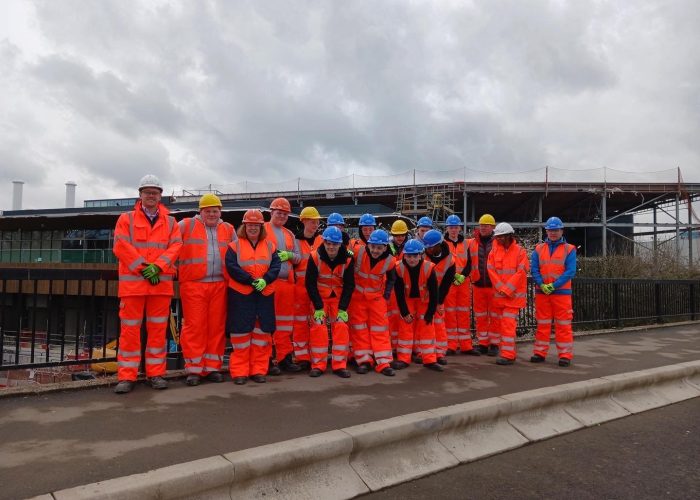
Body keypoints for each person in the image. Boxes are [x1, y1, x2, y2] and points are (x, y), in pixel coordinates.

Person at [112, 174, 182, 394]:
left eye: (155, 192)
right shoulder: (127, 219)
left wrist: (159, 267)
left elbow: (176, 246)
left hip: (159, 286)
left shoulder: (171, 221)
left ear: (160, 196)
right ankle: (126, 376)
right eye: (147, 192)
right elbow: (120, 246)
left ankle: (156, 374)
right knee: (129, 332)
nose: (151, 196)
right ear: (140, 195)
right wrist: (145, 268)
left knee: (158, 332)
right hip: (134, 286)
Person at [177, 194, 236, 385]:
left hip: (220, 284)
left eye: (215, 211)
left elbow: (238, 253)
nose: (212, 214)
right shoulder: (185, 226)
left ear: (220, 212)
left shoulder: (228, 228)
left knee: (216, 327)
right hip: (194, 284)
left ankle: (212, 367)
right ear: (200, 212)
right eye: (208, 211)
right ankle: (194, 369)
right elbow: (170, 247)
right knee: (195, 327)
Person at [225, 209, 281, 384]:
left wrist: (265, 280)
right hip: (241, 295)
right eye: (250, 225)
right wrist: (250, 281)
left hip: (263, 295)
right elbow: (231, 267)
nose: (253, 228)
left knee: (261, 335)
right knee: (241, 336)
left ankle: (258, 370)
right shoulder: (234, 246)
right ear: (244, 225)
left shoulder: (270, 245)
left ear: (261, 226)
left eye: (256, 225)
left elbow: (275, 266)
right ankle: (240, 372)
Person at [305, 226, 355, 378]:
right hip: (320, 298)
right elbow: (310, 283)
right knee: (318, 328)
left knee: (341, 327)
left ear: (340, 244)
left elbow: (349, 284)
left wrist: (343, 309)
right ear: (324, 242)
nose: (331, 247)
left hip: (339, 298)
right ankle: (318, 365)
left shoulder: (347, 259)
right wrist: (318, 306)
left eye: (334, 244)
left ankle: (339, 365)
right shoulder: (314, 257)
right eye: (328, 243)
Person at [349, 229, 396, 376]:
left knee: (380, 329)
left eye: (379, 247)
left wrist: (386, 294)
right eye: (373, 247)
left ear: (385, 247)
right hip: (357, 298)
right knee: (359, 330)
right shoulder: (358, 251)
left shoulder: (390, 260)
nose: (375, 250)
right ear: (368, 245)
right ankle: (364, 360)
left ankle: (383, 362)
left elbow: (392, 278)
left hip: (376, 299)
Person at [530, 217, 577, 367]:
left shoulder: (569, 249)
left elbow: (570, 271)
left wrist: (553, 285)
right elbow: (534, 269)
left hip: (561, 293)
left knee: (563, 325)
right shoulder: (538, 249)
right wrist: (542, 284)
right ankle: (539, 352)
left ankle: (565, 355)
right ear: (547, 231)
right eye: (550, 230)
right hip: (543, 292)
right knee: (542, 324)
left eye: (555, 230)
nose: (553, 233)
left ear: (561, 231)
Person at [392, 239, 443, 371]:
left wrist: (430, 313)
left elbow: (434, 293)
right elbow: (398, 293)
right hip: (408, 300)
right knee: (405, 328)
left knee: (427, 329)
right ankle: (404, 359)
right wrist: (404, 312)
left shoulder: (429, 268)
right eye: (409, 256)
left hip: (424, 301)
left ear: (421, 255)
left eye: (415, 256)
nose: (412, 259)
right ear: (404, 255)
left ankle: (430, 360)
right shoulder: (398, 268)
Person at [264, 198, 302, 373]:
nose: (281, 216)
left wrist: (288, 255)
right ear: (271, 213)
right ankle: (266, 360)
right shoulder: (262, 230)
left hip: (287, 285)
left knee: (286, 325)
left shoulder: (289, 234)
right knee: (266, 324)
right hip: (268, 283)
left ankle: (284, 358)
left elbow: (298, 257)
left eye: (285, 214)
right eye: (278, 213)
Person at [487, 223, 529, 366]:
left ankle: (508, 355)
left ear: (509, 236)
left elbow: (521, 272)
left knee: (507, 326)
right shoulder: (493, 252)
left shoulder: (520, 252)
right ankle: (504, 352)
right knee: (499, 325)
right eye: (497, 237)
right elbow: (491, 270)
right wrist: (501, 288)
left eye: (501, 237)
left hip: (513, 298)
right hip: (500, 297)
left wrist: (506, 289)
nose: (499, 239)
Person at [291, 206, 323, 370]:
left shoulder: (322, 240)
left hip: (318, 288)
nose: (315, 225)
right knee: (300, 323)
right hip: (300, 288)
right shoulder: (295, 241)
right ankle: (302, 357)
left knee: (318, 323)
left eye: (317, 222)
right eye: (312, 222)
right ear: (303, 221)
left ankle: (317, 357)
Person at [443, 215, 480, 356]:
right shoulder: (442, 244)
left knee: (464, 313)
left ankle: (466, 345)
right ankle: (451, 345)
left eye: (456, 227)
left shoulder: (466, 243)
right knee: (450, 314)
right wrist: (453, 276)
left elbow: (470, 262)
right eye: (451, 227)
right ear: (447, 228)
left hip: (463, 283)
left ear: (459, 228)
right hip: (449, 283)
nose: (453, 230)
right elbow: (441, 263)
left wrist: (463, 275)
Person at [423, 229, 456, 364]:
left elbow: (446, 284)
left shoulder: (450, 261)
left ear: (438, 245)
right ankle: (425, 352)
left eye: (431, 247)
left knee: (439, 324)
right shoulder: (423, 255)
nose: (428, 250)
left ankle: (440, 352)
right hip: (423, 297)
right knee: (425, 325)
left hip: (438, 296)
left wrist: (438, 302)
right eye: (427, 248)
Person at [469, 214, 499, 356]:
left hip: (494, 286)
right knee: (480, 316)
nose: (483, 228)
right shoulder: (472, 243)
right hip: (478, 285)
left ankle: (494, 344)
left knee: (494, 316)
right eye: (481, 225)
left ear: (493, 227)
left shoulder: (498, 242)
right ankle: (483, 343)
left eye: (486, 226)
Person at [387, 220, 410, 349]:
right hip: (391, 286)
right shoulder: (388, 247)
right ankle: (392, 345)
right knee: (392, 316)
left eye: (402, 235)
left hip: (405, 285)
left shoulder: (410, 247)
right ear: (393, 235)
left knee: (404, 315)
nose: (400, 238)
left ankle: (401, 346)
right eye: (397, 235)